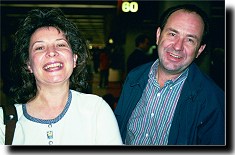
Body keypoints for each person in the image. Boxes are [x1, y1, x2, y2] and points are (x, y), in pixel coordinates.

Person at [0, 8, 122, 145]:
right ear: (28, 64)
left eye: (60, 44)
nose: (51, 52)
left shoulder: (96, 110)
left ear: (75, 59)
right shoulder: (5, 122)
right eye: (39, 47)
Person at [114, 4, 225, 145]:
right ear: (158, 35)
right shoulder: (134, 77)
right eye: (173, 34)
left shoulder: (213, 100)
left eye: (190, 40)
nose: (178, 46)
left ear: (199, 50)